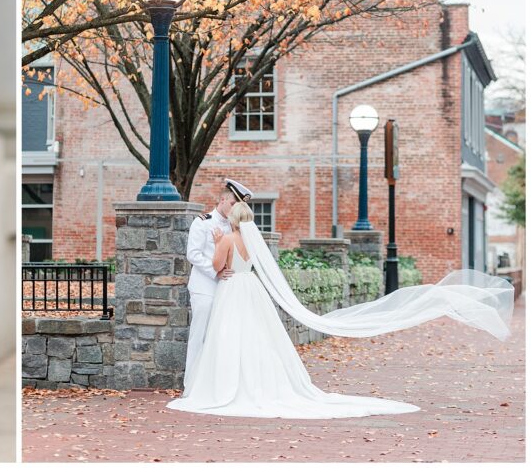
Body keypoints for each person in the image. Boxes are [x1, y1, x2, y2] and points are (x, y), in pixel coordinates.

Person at [168, 203, 514, 418]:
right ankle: (256, 383)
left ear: (234, 220)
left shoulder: (226, 238)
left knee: (229, 339)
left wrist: (217, 245)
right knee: (258, 341)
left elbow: (216, 267)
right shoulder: (254, 246)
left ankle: (223, 385)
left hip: (232, 291)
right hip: (251, 291)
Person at [183, 178, 251, 382]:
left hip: (228, 289)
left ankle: (215, 382)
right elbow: (193, 254)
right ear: (222, 199)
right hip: (204, 287)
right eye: (232, 204)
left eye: (237, 206)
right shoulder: (202, 222)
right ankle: (192, 383)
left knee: (222, 336)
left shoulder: (236, 226)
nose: (234, 209)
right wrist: (216, 272)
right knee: (200, 334)